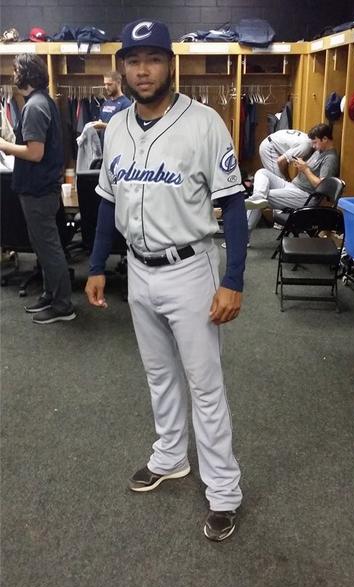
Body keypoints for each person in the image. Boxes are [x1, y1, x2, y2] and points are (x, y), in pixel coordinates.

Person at [85, 19, 249, 542]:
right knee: (159, 376)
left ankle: (224, 491)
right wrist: (94, 266)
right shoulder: (114, 127)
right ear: (122, 69)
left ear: (169, 64)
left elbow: (235, 206)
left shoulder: (205, 124)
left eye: (152, 58)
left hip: (191, 269)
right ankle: (170, 456)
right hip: (137, 269)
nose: (142, 70)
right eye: (133, 61)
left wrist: (234, 279)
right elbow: (108, 205)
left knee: (205, 385)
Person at [0, 54, 76, 324]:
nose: (13, 74)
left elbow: (34, 153)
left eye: (16, 69)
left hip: (38, 190)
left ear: (27, 74)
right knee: (43, 246)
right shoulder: (41, 101)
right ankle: (50, 294)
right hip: (40, 188)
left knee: (49, 248)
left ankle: (63, 306)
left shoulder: (34, 106)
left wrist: (3, 144)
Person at [245, 123, 339, 213]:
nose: (313, 146)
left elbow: (322, 186)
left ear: (325, 139)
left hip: (305, 195)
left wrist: (305, 169)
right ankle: (258, 197)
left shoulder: (330, 158)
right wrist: (302, 165)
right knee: (262, 173)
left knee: (265, 196)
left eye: (315, 142)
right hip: (293, 187)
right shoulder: (319, 151)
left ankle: (246, 225)